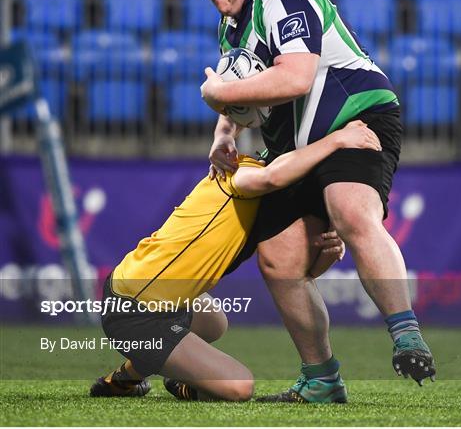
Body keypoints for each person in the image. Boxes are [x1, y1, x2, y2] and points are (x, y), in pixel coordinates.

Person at [194, 0, 436, 401]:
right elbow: (243, 92)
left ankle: (406, 332)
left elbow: (296, 78)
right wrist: (225, 129)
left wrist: (215, 95)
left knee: (350, 212)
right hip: (297, 146)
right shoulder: (230, 25)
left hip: (356, 118)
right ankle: (322, 378)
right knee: (279, 261)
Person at [90, 121, 380, 402]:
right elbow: (273, 177)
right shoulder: (244, 174)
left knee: (214, 322)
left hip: (144, 290)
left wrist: (325, 255)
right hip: (133, 309)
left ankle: (126, 377)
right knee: (240, 387)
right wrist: (338, 139)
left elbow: (296, 274)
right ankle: (179, 382)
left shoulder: (262, 197)